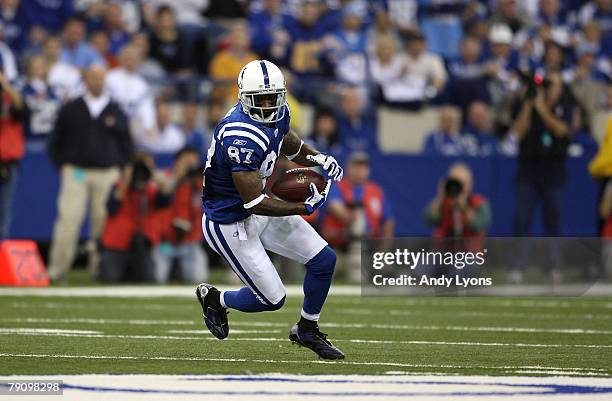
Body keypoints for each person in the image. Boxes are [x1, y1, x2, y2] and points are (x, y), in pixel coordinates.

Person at [196, 59, 345, 360]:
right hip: (230, 222)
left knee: (324, 260)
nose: (267, 105)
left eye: (272, 98)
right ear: (243, 97)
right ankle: (216, 298)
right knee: (272, 298)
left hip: (258, 207)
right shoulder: (240, 135)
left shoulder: (281, 112)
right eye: (259, 99)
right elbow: (254, 202)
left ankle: (307, 329)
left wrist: (318, 159)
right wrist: (302, 206)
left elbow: (289, 144)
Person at [47, 64, 133, 282]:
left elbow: (127, 144)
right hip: (76, 171)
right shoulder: (71, 108)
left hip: (107, 173)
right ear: (86, 80)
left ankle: (99, 271)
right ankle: (57, 270)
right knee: (68, 219)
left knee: (102, 223)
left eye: (100, 78)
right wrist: (63, 165)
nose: (97, 82)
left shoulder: (115, 109)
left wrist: (122, 169)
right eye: (93, 78)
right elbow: (55, 141)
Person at [511, 71, 576, 237]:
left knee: (553, 219)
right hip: (528, 168)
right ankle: (518, 260)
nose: (549, 89)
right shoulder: (526, 103)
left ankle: (552, 261)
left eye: (553, 85)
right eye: (547, 84)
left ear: (561, 89)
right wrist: (528, 104)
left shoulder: (565, 105)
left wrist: (542, 109)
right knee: (521, 218)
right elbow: (518, 132)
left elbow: (562, 130)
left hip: (553, 169)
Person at [99, 153, 173, 282]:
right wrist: (126, 181)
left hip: (142, 246)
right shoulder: (119, 186)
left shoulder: (151, 189)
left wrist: (160, 181)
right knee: (109, 277)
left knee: (148, 279)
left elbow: (165, 202)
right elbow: (111, 208)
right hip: (117, 244)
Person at [321, 152, 395, 280]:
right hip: (340, 248)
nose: (360, 171)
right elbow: (334, 206)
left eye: (363, 167)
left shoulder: (376, 191)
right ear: (348, 168)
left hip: (369, 248)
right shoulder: (338, 187)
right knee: (329, 270)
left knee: (385, 268)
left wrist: (385, 248)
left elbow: (388, 221)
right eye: (356, 166)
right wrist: (352, 220)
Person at [154, 148, 209, 284]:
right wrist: (177, 177)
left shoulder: (198, 183)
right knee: (157, 278)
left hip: (189, 242)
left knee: (198, 279)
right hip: (165, 243)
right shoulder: (164, 177)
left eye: (194, 161)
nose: (191, 165)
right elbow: (160, 199)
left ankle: (178, 270)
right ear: (177, 161)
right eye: (187, 161)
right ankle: (175, 270)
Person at [423, 163, 491, 239]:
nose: (457, 187)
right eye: (455, 182)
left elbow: (478, 225)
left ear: (470, 184)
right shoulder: (442, 202)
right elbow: (429, 219)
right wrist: (440, 196)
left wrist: (464, 207)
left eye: (462, 183)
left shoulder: (479, 203)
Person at [0, 72, 27, 240]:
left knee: (4, 212)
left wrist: (6, 86)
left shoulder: (11, 99)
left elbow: (22, 109)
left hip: (8, 163)